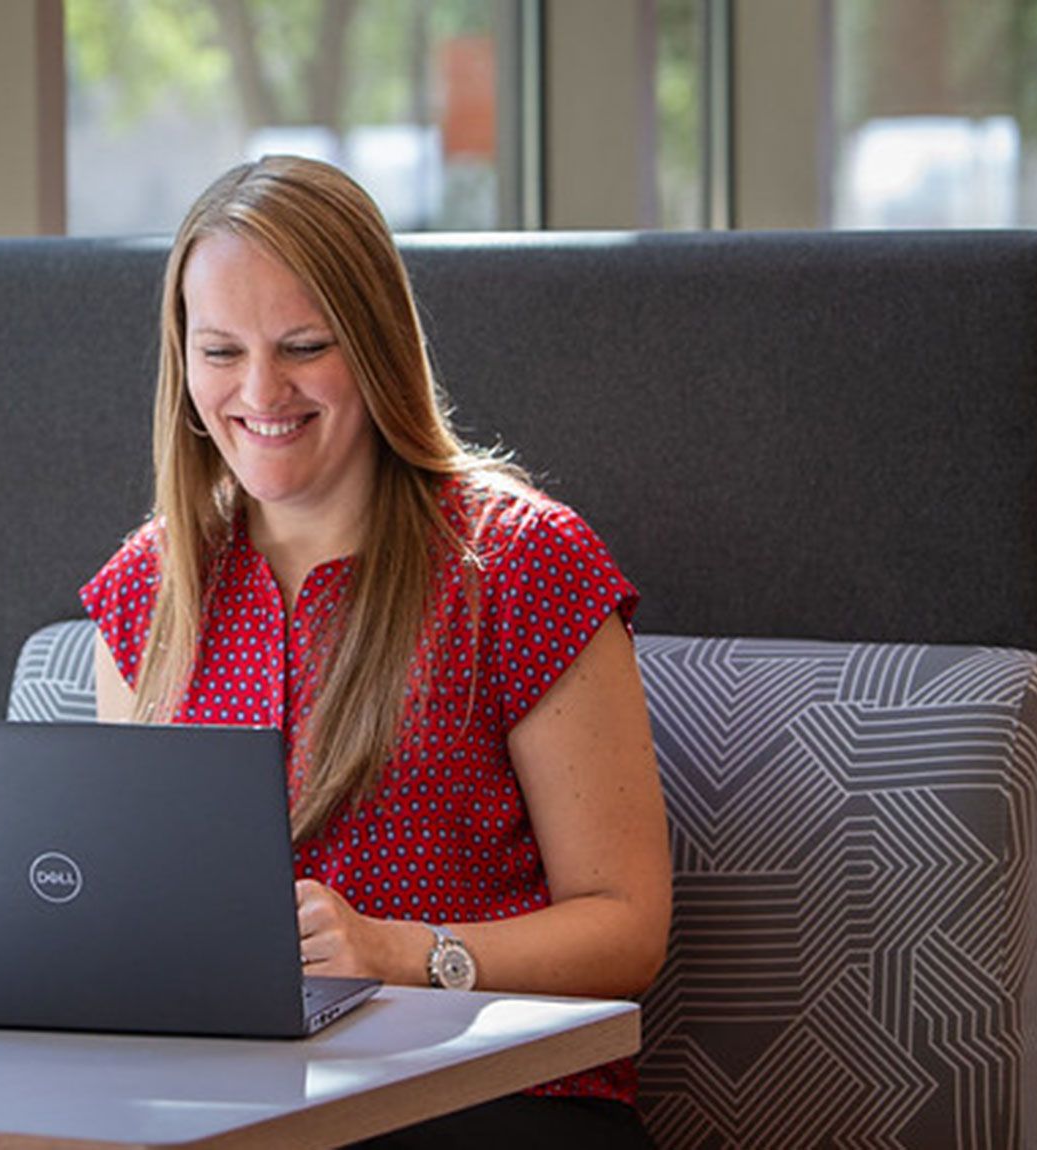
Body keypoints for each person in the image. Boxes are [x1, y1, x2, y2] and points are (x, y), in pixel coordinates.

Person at [78, 155, 671, 1148]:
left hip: (494, 1104)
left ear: (378, 346)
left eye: (303, 345)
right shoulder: (148, 590)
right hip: (235, 1107)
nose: (259, 391)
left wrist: (401, 952)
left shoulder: (520, 563)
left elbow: (625, 926)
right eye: (220, 351)